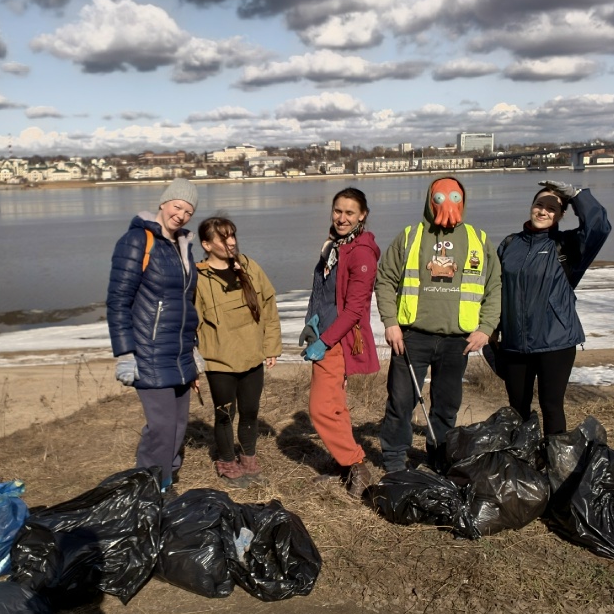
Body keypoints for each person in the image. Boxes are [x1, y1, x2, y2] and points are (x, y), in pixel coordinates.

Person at [374, 175, 502, 475]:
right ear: (430, 200)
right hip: (411, 338)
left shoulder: (478, 239)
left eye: (454, 197)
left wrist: (486, 327)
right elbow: (385, 279)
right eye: (440, 197)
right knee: (401, 403)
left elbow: (494, 285)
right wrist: (391, 323)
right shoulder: (410, 235)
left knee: (446, 406)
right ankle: (394, 459)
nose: (447, 203)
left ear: (463, 200)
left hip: (457, 340)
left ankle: (439, 456)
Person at [495, 179, 611, 437]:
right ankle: (521, 460)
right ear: (531, 207)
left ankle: (555, 464)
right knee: (517, 408)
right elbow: (495, 288)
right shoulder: (510, 244)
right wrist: (492, 329)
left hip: (555, 341)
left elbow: (600, 227)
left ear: (560, 215)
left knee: (551, 405)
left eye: (551, 208)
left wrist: (577, 195)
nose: (543, 211)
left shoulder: (568, 245)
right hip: (515, 342)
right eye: (539, 205)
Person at [106, 179, 201, 493]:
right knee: (160, 427)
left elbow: (185, 304)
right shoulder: (137, 240)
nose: (181, 215)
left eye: (188, 211)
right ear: (163, 203)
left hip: (179, 352)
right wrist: (125, 353)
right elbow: (119, 300)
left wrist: (194, 349)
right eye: (177, 206)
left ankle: (166, 481)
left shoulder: (182, 246)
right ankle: (146, 489)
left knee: (177, 426)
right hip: (148, 350)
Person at [300, 188, 381, 497]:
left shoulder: (361, 252)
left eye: (349, 212)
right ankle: (345, 467)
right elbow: (321, 292)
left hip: (338, 341)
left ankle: (357, 464)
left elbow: (355, 309)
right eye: (337, 210)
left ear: (362, 215)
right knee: (334, 406)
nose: (342, 217)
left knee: (320, 409)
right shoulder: (334, 245)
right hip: (323, 333)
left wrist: (326, 340)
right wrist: (311, 322)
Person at [194, 216, 281, 486]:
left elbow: (268, 305)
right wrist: (189, 364)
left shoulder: (248, 266)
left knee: (251, 411)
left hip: (252, 356)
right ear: (206, 244)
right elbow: (189, 324)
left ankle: (248, 459)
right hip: (219, 361)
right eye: (223, 238)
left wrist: (271, 347)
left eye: (232, 235)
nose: (231, 242)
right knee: (225, 415)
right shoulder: (198, 278)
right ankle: (227, 462)